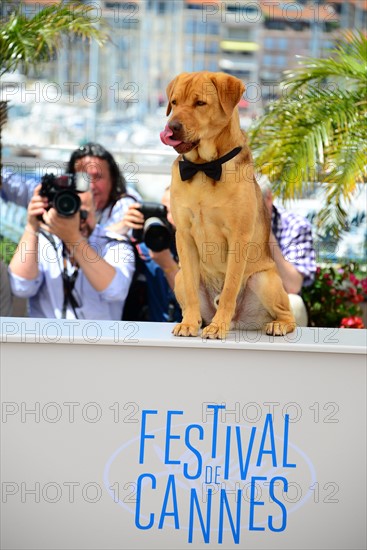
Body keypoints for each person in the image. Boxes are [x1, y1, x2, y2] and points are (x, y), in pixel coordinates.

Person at [8, 185, 135, 320]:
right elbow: (20, 287)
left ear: (95, 209)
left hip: (99, 339)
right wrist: (32, 226)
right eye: (71, 212)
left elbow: (116, 291)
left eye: (83, 214)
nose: (77, 222)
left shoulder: (113, 242)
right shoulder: (41, 240)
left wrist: (73, 240)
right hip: (46, 338)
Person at [1, 143, 141, 226]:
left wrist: (69, 234)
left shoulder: (125, 203)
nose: (91, 186)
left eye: (98, 177)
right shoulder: (56, 199)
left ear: (113, 179)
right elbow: (17, 187)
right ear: (70, 180)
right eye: (83, 178)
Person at [110, 187, 181, 322]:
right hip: (148, 334)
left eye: (175, 211)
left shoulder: (202, 250)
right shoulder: (145, 248)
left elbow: (198, 307)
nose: (167, 218)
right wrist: (120, 228)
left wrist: (168, 266)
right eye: (163, 210)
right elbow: (95, 251)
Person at [259, 176, 317, 326]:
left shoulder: (296, 227)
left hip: (275, 302)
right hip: (236, 304)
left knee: (295, 303)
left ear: (269, 198)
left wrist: (266, 234)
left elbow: (293, 285)